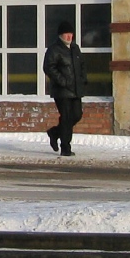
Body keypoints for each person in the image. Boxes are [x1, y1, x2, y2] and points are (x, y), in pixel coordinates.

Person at [42, 20, 86, 156]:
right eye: (66, 34)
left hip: (76, 90)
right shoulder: (54, 49)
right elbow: (49, 67)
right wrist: (63, 81)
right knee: (66, 118)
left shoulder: (75, 48)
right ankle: (65, 148)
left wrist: (83, 79)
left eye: (71, 34)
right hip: (62, 91)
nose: (69, 37)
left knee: (77, 115)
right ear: (60, 35)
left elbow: (81, 65)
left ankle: (55, 132)